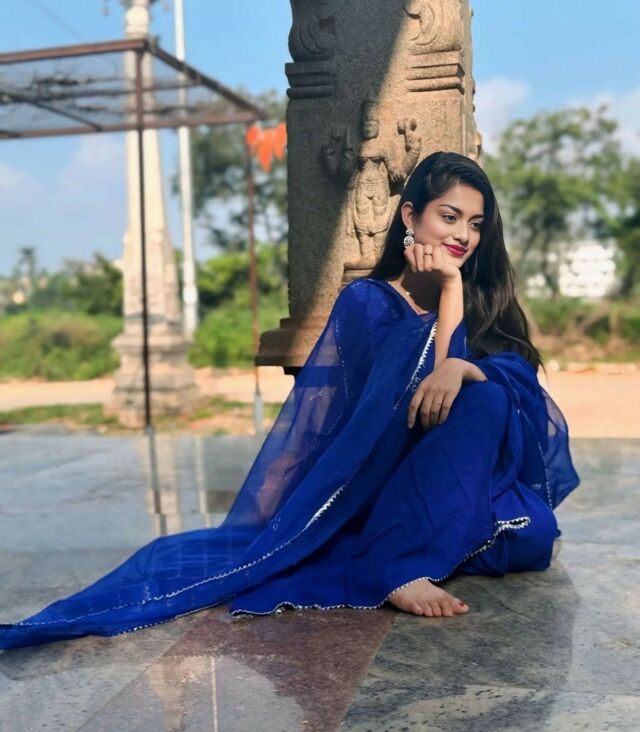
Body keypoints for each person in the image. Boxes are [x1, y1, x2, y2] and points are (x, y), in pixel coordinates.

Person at [0, 151, 580, 650]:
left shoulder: (482, 301)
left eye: (475, 225)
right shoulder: (367, 301)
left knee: (532, 528)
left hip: (453, 472)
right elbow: (402, 405)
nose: (463, 236)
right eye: (448, 217)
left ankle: (426, 537)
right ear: (411, 216)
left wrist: (463, 356)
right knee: (482, 401)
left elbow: (503, 385)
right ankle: (395, 564)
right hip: (385, 479)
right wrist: (449, 301)